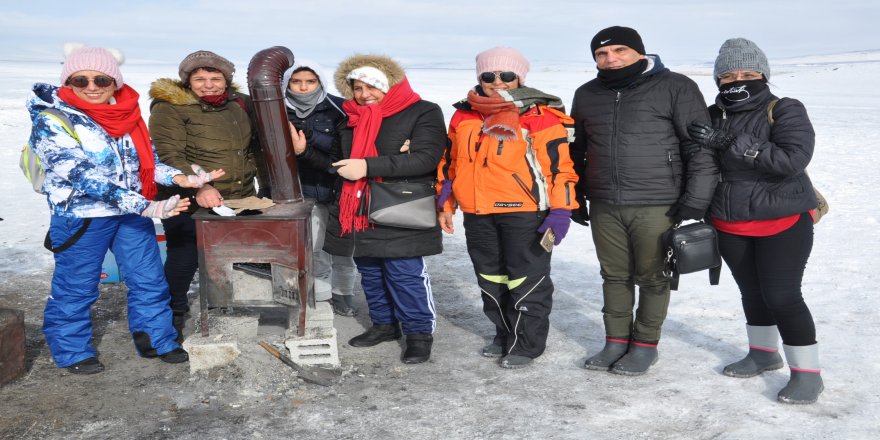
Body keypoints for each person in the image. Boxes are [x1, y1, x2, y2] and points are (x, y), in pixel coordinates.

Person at [27, 45, 218, 373]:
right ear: (67, 82)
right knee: (77, 286)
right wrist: (146, 206)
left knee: (149, 279)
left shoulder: (127, 114)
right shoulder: (52, 119)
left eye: (101, 79)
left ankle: (157, 338)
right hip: (82, 215)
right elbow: (81, 175)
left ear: (114, 82)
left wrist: (179, 177)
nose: (91, 86)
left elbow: (147, 161)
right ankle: (72, 350)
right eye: (80, 79)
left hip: (132, 213)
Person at [569, 26, 719, 375]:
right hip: (605, 201)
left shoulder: (676, 86)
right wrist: (573, 195)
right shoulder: (587, 93)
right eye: (602, 54)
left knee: (652, 276)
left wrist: (695, 199)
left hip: (657, 202)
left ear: (639, 52)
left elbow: (698, 147)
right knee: (613, 276)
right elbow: (575, 151)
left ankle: (645, 345)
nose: (611, 59)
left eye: (619, 50)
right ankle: (615, 341)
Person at [687, 38, 822, 404]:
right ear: (717, 80)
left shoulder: (785, 109)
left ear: (763, 74)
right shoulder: (711, 115)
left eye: (747, 73)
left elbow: (791, 160)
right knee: (752, 294)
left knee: (783, 296)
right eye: (728, 75)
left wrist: (731, 140)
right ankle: (764, 354)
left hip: (782, 221)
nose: (737, 80)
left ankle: (807, 373)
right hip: (729, 222)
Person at [291, 54, 446, 364]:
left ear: (390, 84)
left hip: (399, 204)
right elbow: (337, 166)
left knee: (404, 273)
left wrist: (367, 165)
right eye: (357, 88)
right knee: (371, 273)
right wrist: (305, 152)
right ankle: (384, 325)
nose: (363, 95)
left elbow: (425, 159)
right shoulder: (350, 117)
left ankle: (418, 333)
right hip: (357, 207)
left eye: (371, 87)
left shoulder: (422, 112)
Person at [436, 47, 579, 369]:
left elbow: (560, 169)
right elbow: (450, 164)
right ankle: (504, 333)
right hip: (478, 211)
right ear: (479, 78)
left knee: (526, 280)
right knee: (491, 278)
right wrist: (446, 203)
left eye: (506, 75)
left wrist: (561, 211)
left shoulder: (542, 117)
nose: (497, 81)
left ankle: (527, 344)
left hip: (524, 212)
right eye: (489, 75)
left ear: (520, 78)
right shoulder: (464, 115)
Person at [149, 50, 268, 332]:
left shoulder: (240, 104)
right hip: (186, 196)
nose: (208, 84)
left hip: (236, 194)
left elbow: (255, 147)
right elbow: (169, 154)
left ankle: (222, 303)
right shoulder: (169, 107)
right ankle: (174, 310)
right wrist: (201, 185)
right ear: (187, 81)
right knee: (185, 253)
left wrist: (265, 183)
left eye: (215, 78)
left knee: (227, 252)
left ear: (227, 81)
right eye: (199, 78)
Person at [281, 60, 358, 316]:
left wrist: (308, 144)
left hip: (338, 186)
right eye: (296, 81)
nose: (303, 88)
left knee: (344, 247)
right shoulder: (278, 110)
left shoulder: (338, 108)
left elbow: (344, 149)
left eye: (310, 82)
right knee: (315, 245)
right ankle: (323, 293)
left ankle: (344, 292)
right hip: (302, 188)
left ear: (320, 83)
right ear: (287, 83)